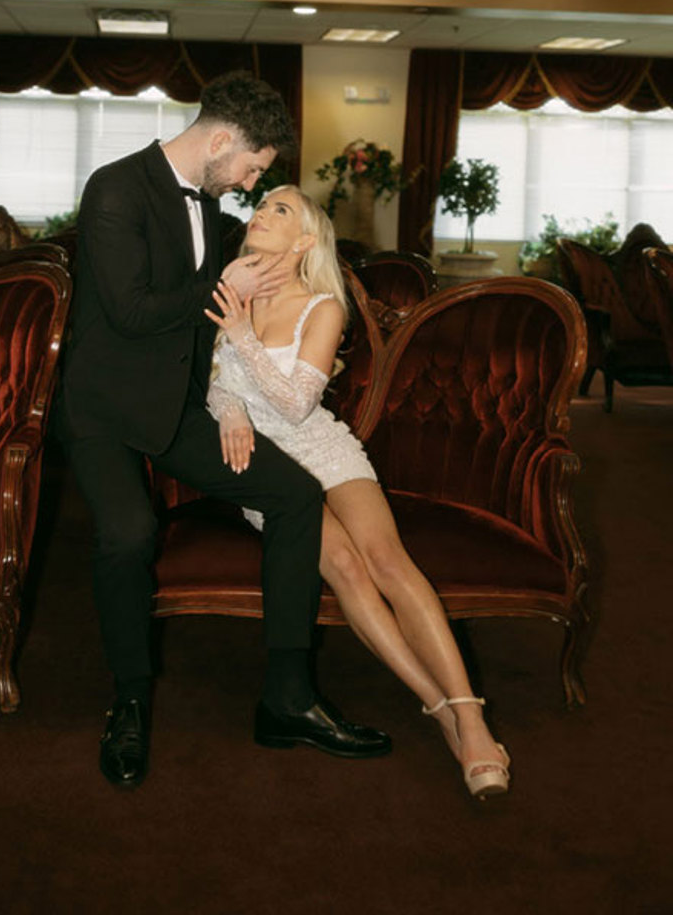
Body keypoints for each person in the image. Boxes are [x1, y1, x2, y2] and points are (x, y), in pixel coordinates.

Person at [60, 73, 391, 789]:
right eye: (250, 167)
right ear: (218, 141)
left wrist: (290, 294)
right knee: (127, 532)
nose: (249, 183)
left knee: (295, 496)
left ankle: (287, 696)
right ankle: (129, 698)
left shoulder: (213, 211)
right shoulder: (114, 189)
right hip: (106, 410)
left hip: (178, 408)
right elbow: (132, 313)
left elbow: (264, 278)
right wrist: (229, 291)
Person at [205, 184, 511, 800]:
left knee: (388, 562)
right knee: (344, 567)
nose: (261, 213)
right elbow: (212, 384)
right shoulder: (231, 289)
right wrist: (229, 409)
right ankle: (441, 709)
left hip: (320, 446)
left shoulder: (323, 307)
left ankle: (471, 716)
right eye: (260, 206)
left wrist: (240, 337)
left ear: (306, 242)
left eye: (280, 210)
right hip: (263, 469)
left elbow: (296, 406)